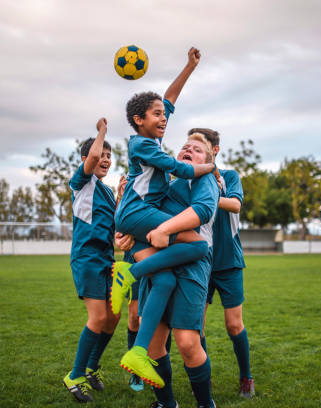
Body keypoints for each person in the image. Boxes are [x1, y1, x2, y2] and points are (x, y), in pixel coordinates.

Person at [111, 48, 216, 388]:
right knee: (198, 246)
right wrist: (211, 166)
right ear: (140, 120)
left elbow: (169, 98)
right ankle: (131, 272)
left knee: (167, 280)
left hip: (137, 216)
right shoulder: (142, 145)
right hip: (137, 213)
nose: (163, 118)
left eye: (164, 115)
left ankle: (138, 352)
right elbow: (180, 168)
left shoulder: (151, 134)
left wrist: (189, 67)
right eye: (156, 115)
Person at [135, 134, 220, 408]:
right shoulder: (167, 182)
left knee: (186, 343)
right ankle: (166, 403)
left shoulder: (204, 180)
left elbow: (203, 210)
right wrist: (125, 232)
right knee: (153, 345)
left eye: (197, 150)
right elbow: (142, 213)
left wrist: (164, 229)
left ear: (206, 161)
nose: (188, 150)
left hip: (192, 266)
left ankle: (206, 403)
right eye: (185, 147)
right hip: (160, 263)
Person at [189, 127, 255, 398]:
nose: (193, 149)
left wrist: (209, 195)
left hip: (228, 262)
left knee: (233, 325)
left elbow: (236, 205)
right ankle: (205, 378)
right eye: (190, 144)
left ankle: (246, 378)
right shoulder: (188, 179)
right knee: (196, 326)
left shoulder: (229, 176)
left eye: (199, 145)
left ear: (214, 150)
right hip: (197, 261)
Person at [63, 118, 122, 403]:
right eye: (102, 155)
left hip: (106, 259)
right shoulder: (81, 183)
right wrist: (102, 131)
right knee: (98, 317)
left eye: (110, 157)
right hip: (87, 258)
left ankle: (91, 367)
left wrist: (121, 198)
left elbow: (116, 226)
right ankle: (74, 376)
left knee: (114, 316)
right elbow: (95, 154)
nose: (106, 160)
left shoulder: (107, 192)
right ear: (86, 159)